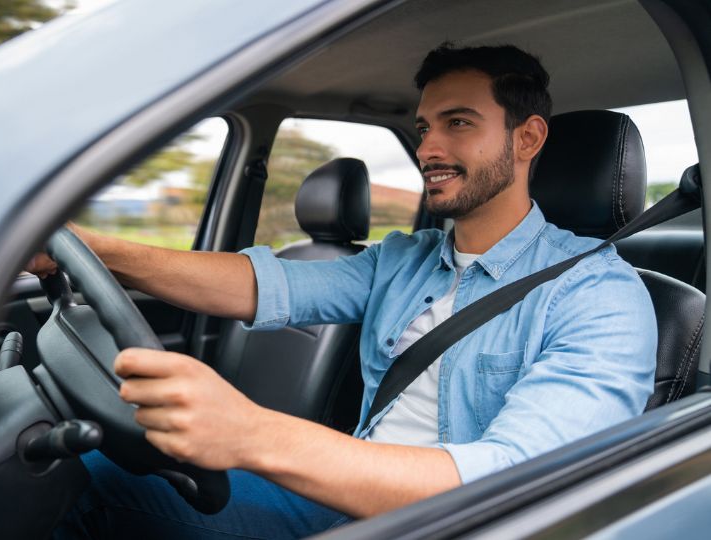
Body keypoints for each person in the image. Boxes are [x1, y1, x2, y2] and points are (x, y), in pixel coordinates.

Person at [41, 44, 657, 539]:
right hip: (343, 501)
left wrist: (252, 433)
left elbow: (517, 478)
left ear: (527, 139)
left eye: (459, 124)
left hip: (456, 522)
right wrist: (97, 247)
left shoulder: (597, 294)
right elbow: (259, 283)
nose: (428, 149)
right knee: (84, 472)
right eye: (423, 128)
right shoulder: (402, 259)